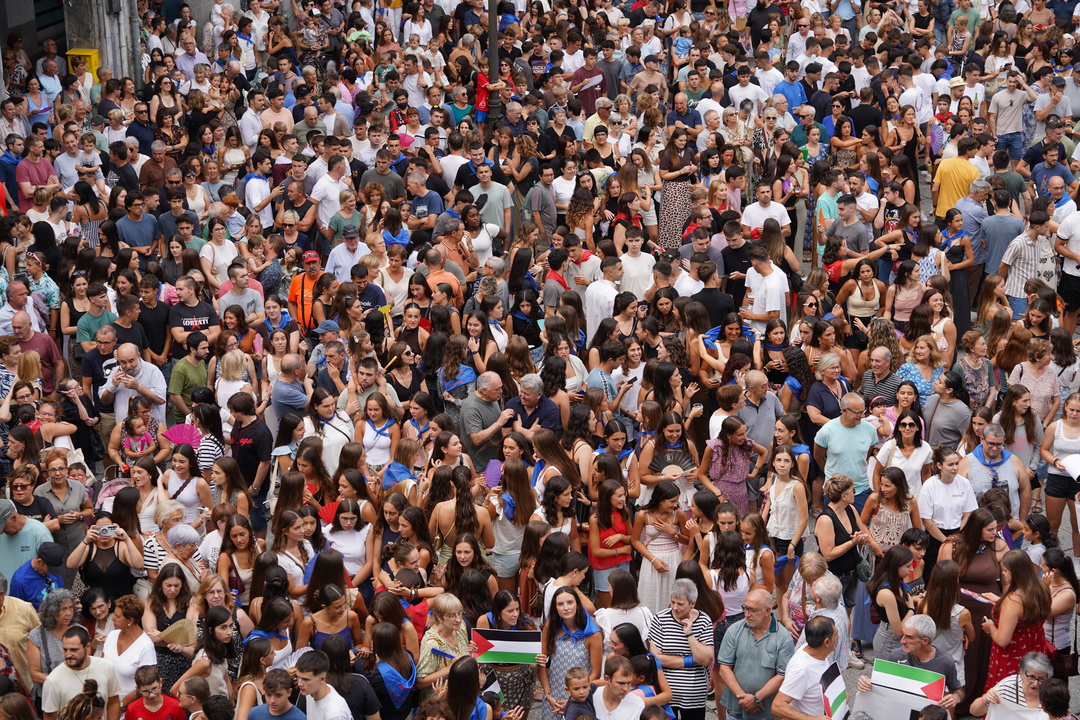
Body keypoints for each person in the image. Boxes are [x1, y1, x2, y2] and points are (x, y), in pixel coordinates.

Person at [855, 614, 964, 711]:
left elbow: (957, 689)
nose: (902, 641)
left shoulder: (945, 661)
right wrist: (866, 681)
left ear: (925, 640)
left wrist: (956, 697)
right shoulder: (897, 655)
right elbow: (881, 684)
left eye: (909, 637)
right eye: (903, 635)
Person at [716, 587, 795, 720]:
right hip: (736, 708)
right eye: (745, 608)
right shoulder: (734, 630)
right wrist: (744, 699)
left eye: (752, 610)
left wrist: (756, 698)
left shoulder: (783, 637)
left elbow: (782, 675)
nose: (747, 614)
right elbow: (724, 669)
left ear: (767, 610)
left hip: (767, 713)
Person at [646, 579, 713, 720]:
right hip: (666, 694)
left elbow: (706, 660)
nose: (675, 607)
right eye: (673, 602)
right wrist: (692, 659)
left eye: (680, 604)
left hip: (694, 695)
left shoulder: (704, 621)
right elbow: (655, 659)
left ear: (692, 604)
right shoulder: (660, 619)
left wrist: (689, 634)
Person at [41, 626, 121, 720]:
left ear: (87, 647)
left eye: (74, 650)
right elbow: (50, 717)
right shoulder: (53, 681)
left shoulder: (106, 667)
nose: (68, 654)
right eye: (65, 649)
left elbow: (113, 702)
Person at [772, 616, 838, 720]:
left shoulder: (816, 650)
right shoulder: (801, 669)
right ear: (827, 642)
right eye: (836, 635)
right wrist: (812, 719)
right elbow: (777, 706)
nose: (838, 637)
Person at [9, 542, 64, 610]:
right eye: (51, 569)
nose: (53, 572)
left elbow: (62, 593)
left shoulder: (54, 567)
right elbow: (16, 611)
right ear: (39, 561)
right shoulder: (20, 581)